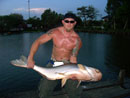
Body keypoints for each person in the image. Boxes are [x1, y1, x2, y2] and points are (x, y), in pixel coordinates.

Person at [27, 13, 82, 98]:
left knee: (74, 91)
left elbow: (73, 58)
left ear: (75, 23)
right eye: (67, 21)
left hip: (68, 64)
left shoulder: (77, 40)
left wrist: (74, 73)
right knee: (44, 90)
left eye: (72, 22)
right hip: (53, 63)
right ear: (63, 21)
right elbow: (37, 42)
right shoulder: (54, 32)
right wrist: (30, 58)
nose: (69, 23)